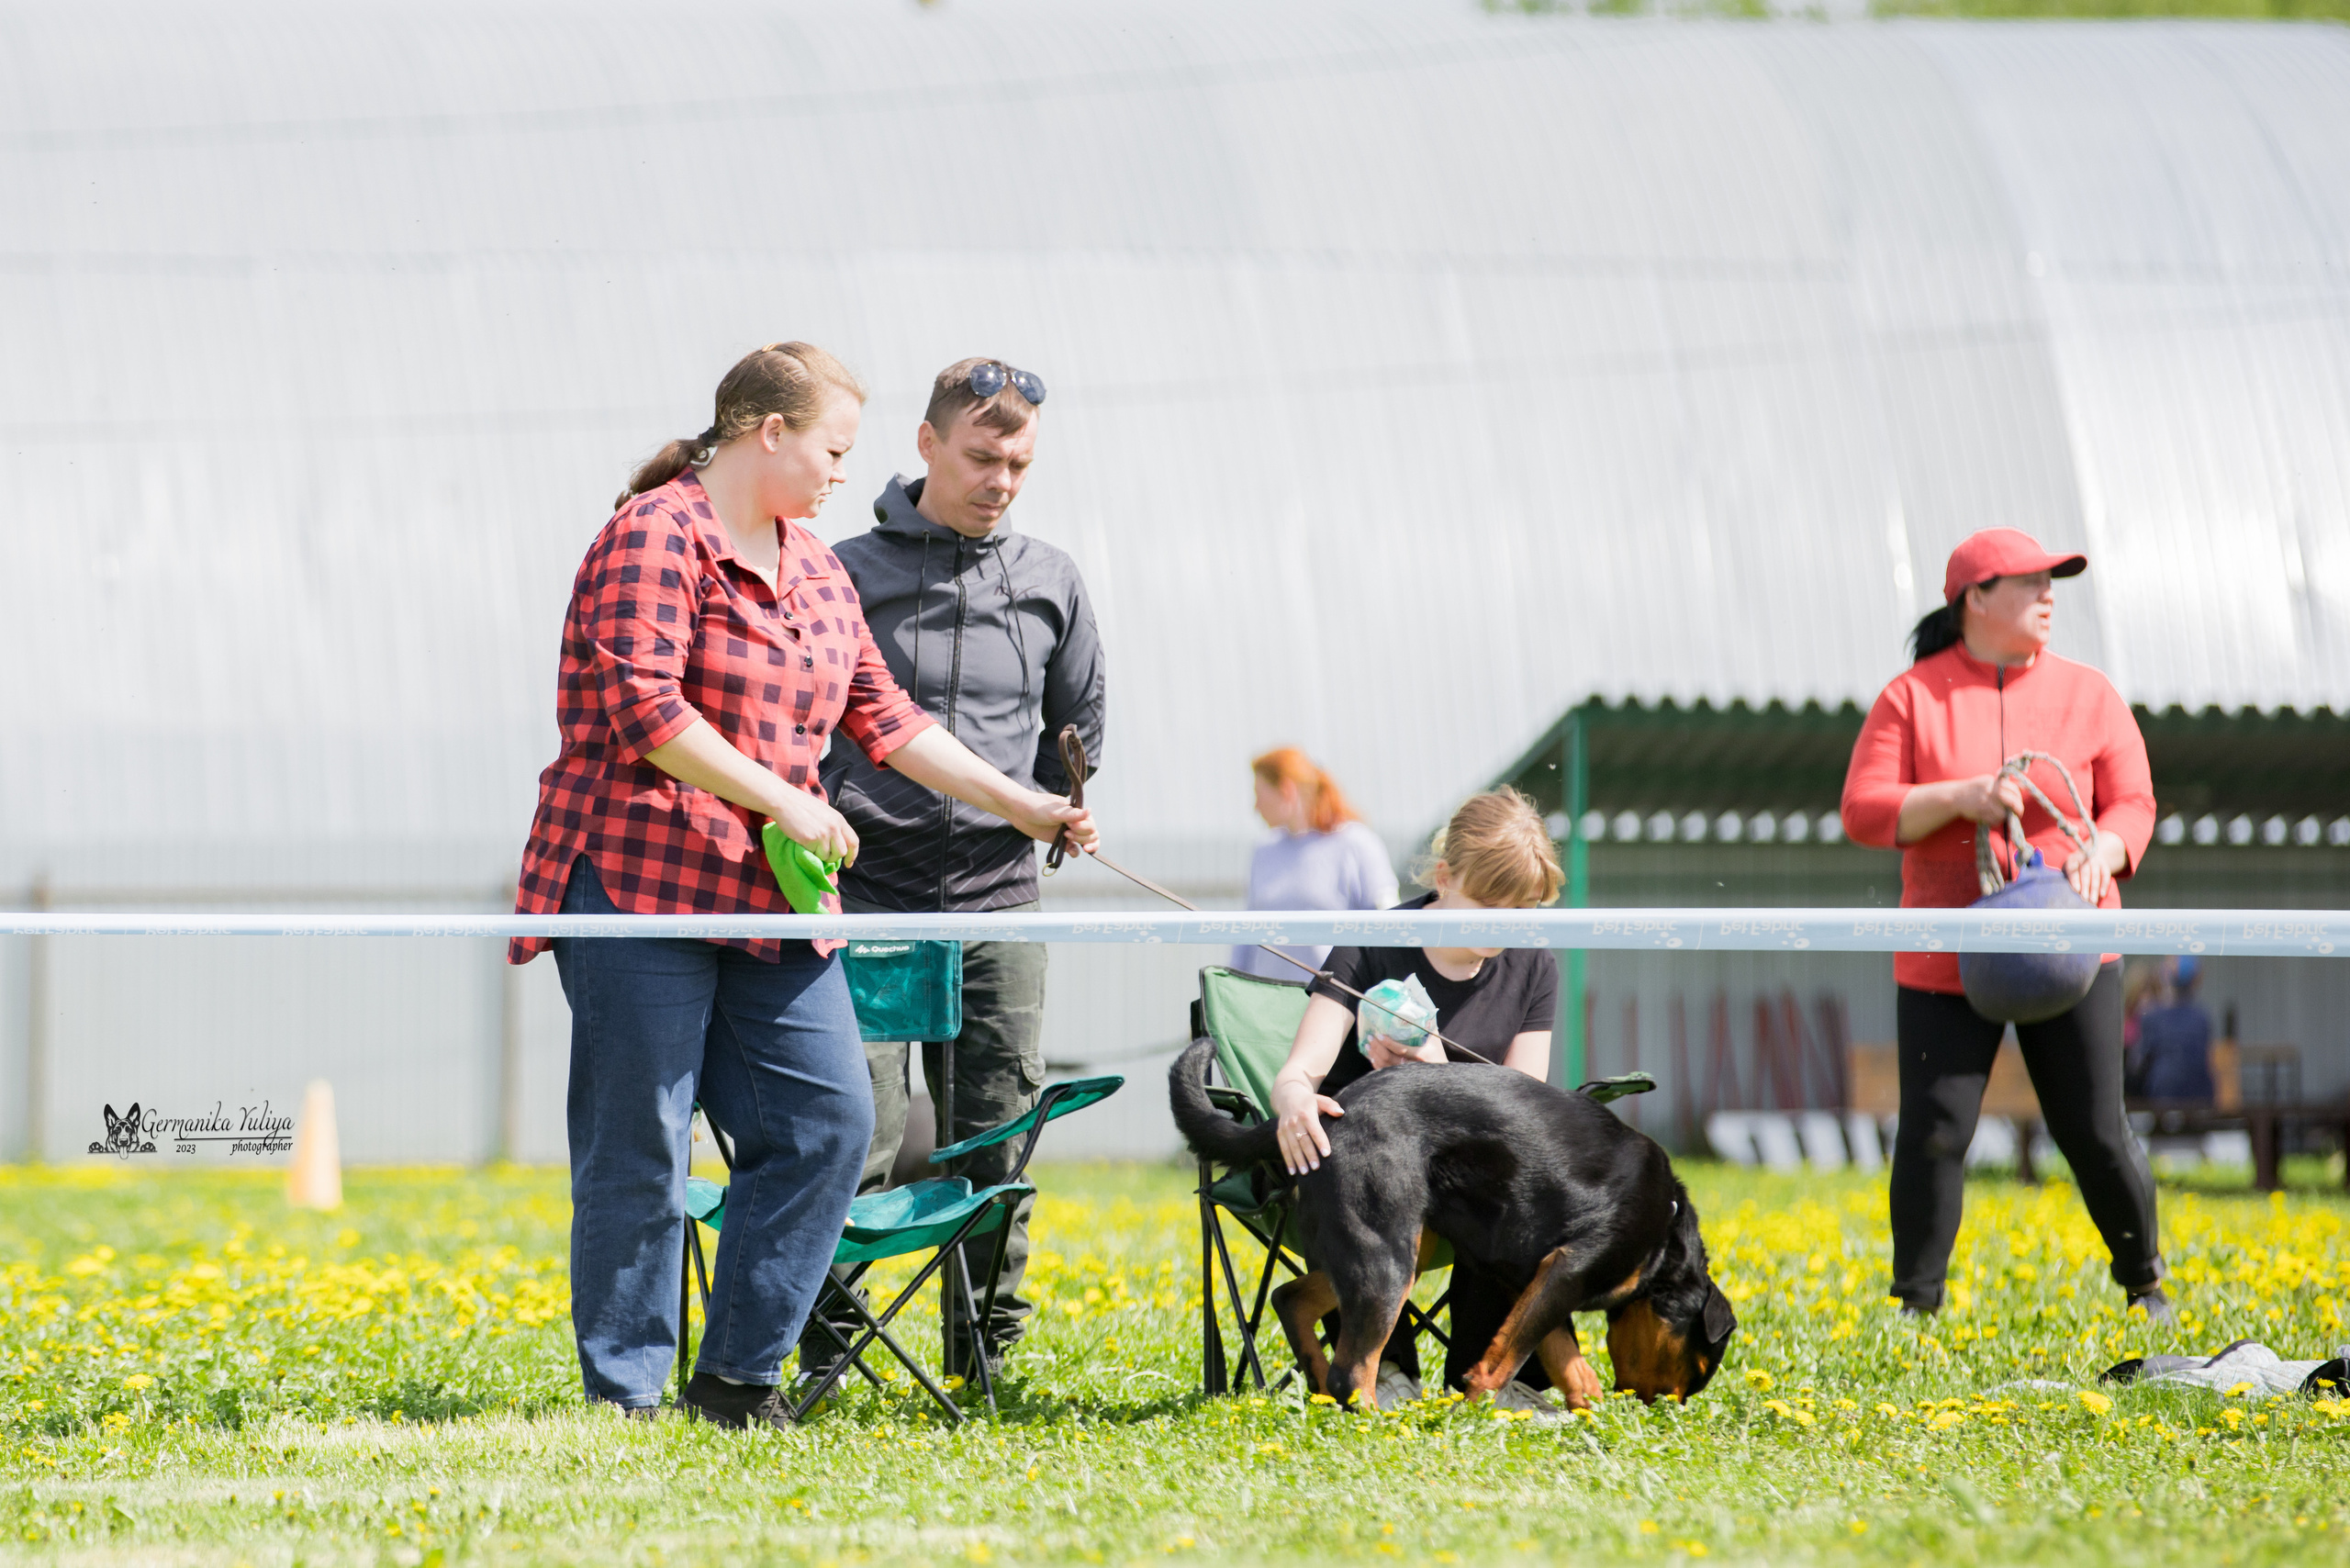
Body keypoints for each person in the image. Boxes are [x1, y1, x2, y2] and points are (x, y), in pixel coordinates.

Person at [509, 343, 1096, 1428]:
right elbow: (645, 707)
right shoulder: (653, 535)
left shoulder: (816, 567)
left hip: (767, 904)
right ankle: (628, 1395)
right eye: (831, 448)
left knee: (828, 1123)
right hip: (640, 885)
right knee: (642, 1138)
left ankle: (736, 1381)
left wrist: (1023, 804)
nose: (841, 472)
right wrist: (782, 798)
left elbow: (886, 719)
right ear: (765, 433)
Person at [814, 356, 1106, 1381]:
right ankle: (826, 1348)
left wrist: (1056, 810)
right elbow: (800, 722)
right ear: (928, 443)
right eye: (982, 456)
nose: (1001, 480)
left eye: (1019, 463)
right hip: (863, 894)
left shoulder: (1052, 580)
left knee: (998, 1134)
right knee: (857, 1128)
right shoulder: (839, 570)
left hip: (998, 898)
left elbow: (1075, 731)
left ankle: (986, 1353)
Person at [1840, 527, 2168, 1320]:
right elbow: (1864, 809)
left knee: (2093, 1129)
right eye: (2031, 582)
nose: (2049, 595)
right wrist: (1961, 796)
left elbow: (2135, 801)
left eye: (2054, 582)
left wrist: (2106, 846)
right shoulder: (1910, 696)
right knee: (1935, 1131)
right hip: (1946, 953)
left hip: (2073, 948)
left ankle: (2145, 1286)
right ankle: (1915, 1309)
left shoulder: (2091, 693)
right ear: (1975, 599)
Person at [1265, 788, 1565, 1407]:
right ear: (1446, 877)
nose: (1503, 926)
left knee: (1516, 1183)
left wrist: (1441, 1075)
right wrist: (1293, 1099)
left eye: (1523, 909)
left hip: (1476, 1174)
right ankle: (1385, 1368)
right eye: (1488, 904)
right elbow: (1300, 1073)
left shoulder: (1534, 967)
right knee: (1381, 1178)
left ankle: (1494, 1375)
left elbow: (1525, 1110)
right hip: (1367, 1170)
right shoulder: (1372, 942)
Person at [1228, 748, 1399, 980]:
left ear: (1286, 790)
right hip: (1266, 1001)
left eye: (1259, 793)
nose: (1255, 807)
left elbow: (1387, 924)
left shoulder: (1356, 844)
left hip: (1333, 1001)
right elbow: (1247, 935)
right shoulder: (1263, 850)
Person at [2135, 958, 2216, 1104]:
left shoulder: (2152, 1016)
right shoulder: (2202, 1017)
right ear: (2194, 982)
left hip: (2162, 1093)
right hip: (2200, 1095)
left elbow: (2140, 1062)